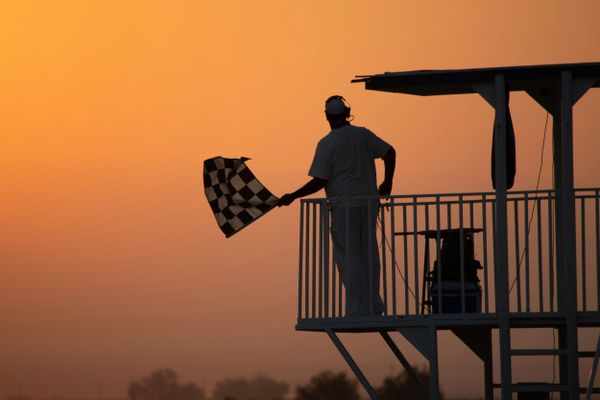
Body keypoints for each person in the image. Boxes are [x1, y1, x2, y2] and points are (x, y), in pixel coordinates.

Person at [278, 95, 396, 317]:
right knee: (369, 255)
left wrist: (293, 196)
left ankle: (358, 309)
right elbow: (390, 153)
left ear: (326, 117)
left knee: (349, 257)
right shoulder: (363, 135)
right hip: (369, 204)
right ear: (347, 112)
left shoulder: (327, 144)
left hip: (344, 207)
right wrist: (387, 182)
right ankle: (373, 305)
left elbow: (320, 180)